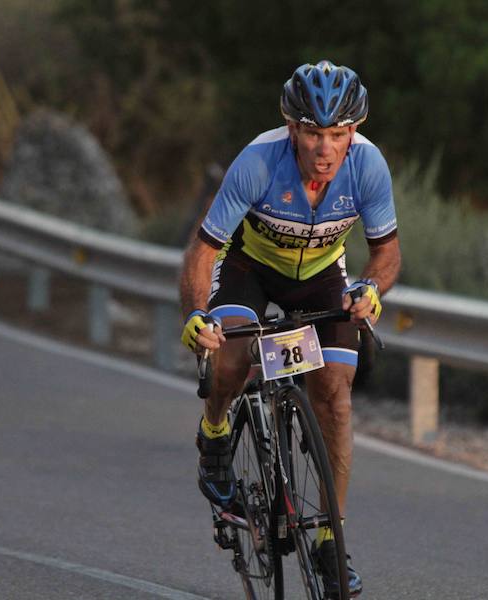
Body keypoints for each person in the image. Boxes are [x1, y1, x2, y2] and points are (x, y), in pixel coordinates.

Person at [179, 60, 401, 597]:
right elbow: (202, 253)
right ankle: (214, 434)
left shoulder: (368, 167)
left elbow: (386, 254)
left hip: (322, 279)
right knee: (232, 360)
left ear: (354, 130)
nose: (324, 148)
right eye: (312, 133)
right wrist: (195, 315)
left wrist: (372, 289)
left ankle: (330, 538)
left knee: (334, 397)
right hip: (249, 271)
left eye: (337, 134)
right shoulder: (257, 162)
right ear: (292, 127)